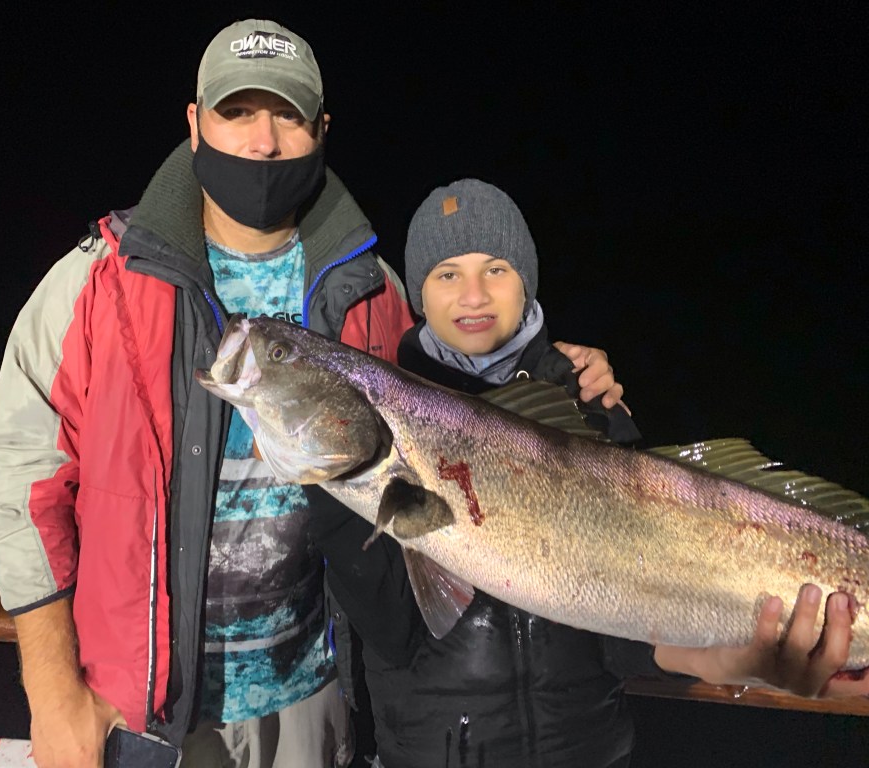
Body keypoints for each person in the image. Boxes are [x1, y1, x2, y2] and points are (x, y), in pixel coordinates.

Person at [0, 21, 623, 768]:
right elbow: (25, 483)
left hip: (313, 702)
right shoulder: (98, 281)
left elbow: (460, 419)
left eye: (287, 116)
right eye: (237, 112)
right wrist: (54, 695)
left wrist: (564, 372)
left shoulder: (374, 290)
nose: (263, 141)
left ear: (320, 130)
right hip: (134, 710)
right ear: (194, 122)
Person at [310, 179, 866, 767]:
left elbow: (625, 637)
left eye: (496, 269)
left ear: (526, 282)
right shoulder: (383, 414)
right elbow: (392, 631)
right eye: (447, 274)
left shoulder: (586, 404)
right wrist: (331, 482)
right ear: (420, 293)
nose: (473, 294)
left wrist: (732, 658)